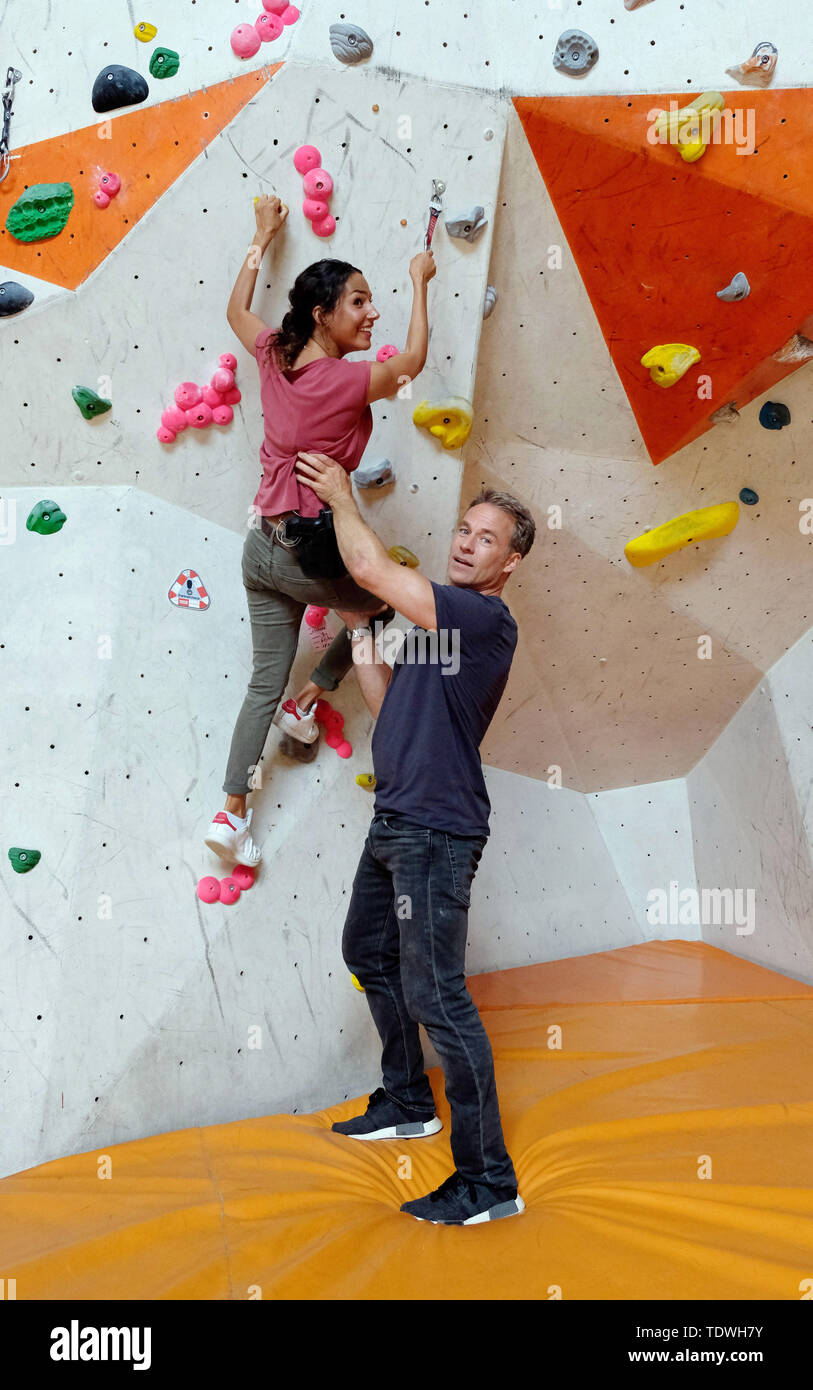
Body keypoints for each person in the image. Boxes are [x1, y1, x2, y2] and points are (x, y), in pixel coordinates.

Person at [293, 448, 536, 1225]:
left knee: (438, 994)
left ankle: (488, 1181)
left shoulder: (482, 618)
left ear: (511, 561)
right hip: (395, 818)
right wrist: (360, 636)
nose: (466, 544)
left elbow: (366, 566)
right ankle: (406, 1098)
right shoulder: (444, 632)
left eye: (485, 538)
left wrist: (338, 494)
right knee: (366, 953)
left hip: (437, 829)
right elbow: (391, 698)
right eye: (462, 530)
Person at [204, 194, 436, 867]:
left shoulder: (274, 354)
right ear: (321, 313)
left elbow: (233, 309)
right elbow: (413, 361)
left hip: (259, 549)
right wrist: (420, 282)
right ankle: (314, 694)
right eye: (359, 302)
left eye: (374, 301)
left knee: (260, 685)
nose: (372, 313)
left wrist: (260, 237)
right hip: (307, 558)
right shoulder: (342, 381)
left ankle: (231, 813)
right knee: (388, 602)